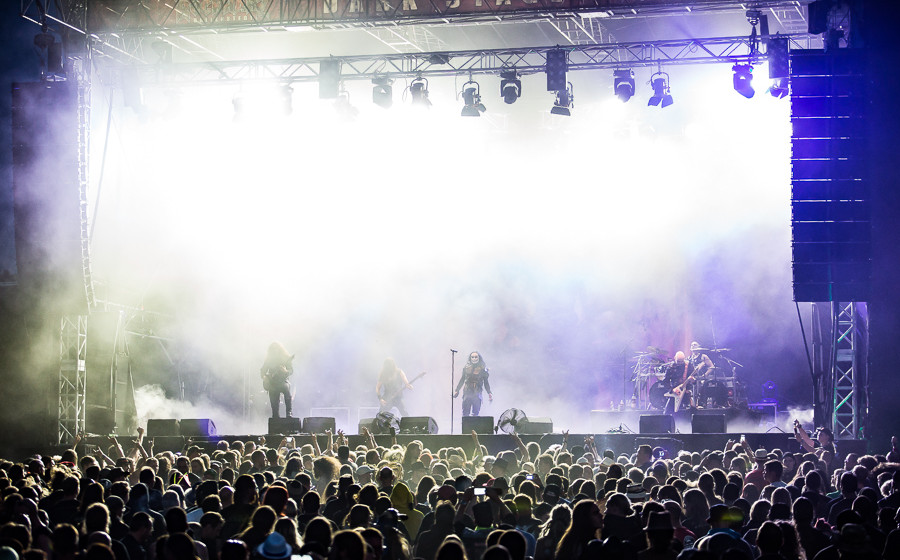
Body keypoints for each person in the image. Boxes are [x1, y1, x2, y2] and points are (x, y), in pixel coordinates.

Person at [259, 342, 294, 418]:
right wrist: (265, 377)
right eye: (273, 349)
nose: (275, 351)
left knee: (286, 388)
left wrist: (285, 371)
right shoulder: (269, 360)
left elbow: (291, 371)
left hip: (283, 381)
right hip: (272, 383)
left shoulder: (286, 358)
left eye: (276, 349)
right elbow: (263, 370)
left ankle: (289, 412)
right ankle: (275, 415)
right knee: (273, 398)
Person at [454, 351, 493, 417]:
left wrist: (489, 393)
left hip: (477, 393)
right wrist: (457, 390)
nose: (474, 359)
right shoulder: (466, 368)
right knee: (465, 413)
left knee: (475, 413)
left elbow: (486, 383)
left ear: (478, 358)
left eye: (476, 357)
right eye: (472, 357)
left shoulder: (483, 370)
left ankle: (474, 426)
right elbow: (462, 380)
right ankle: (466, 426)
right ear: (470, 358)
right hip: (467, 392)